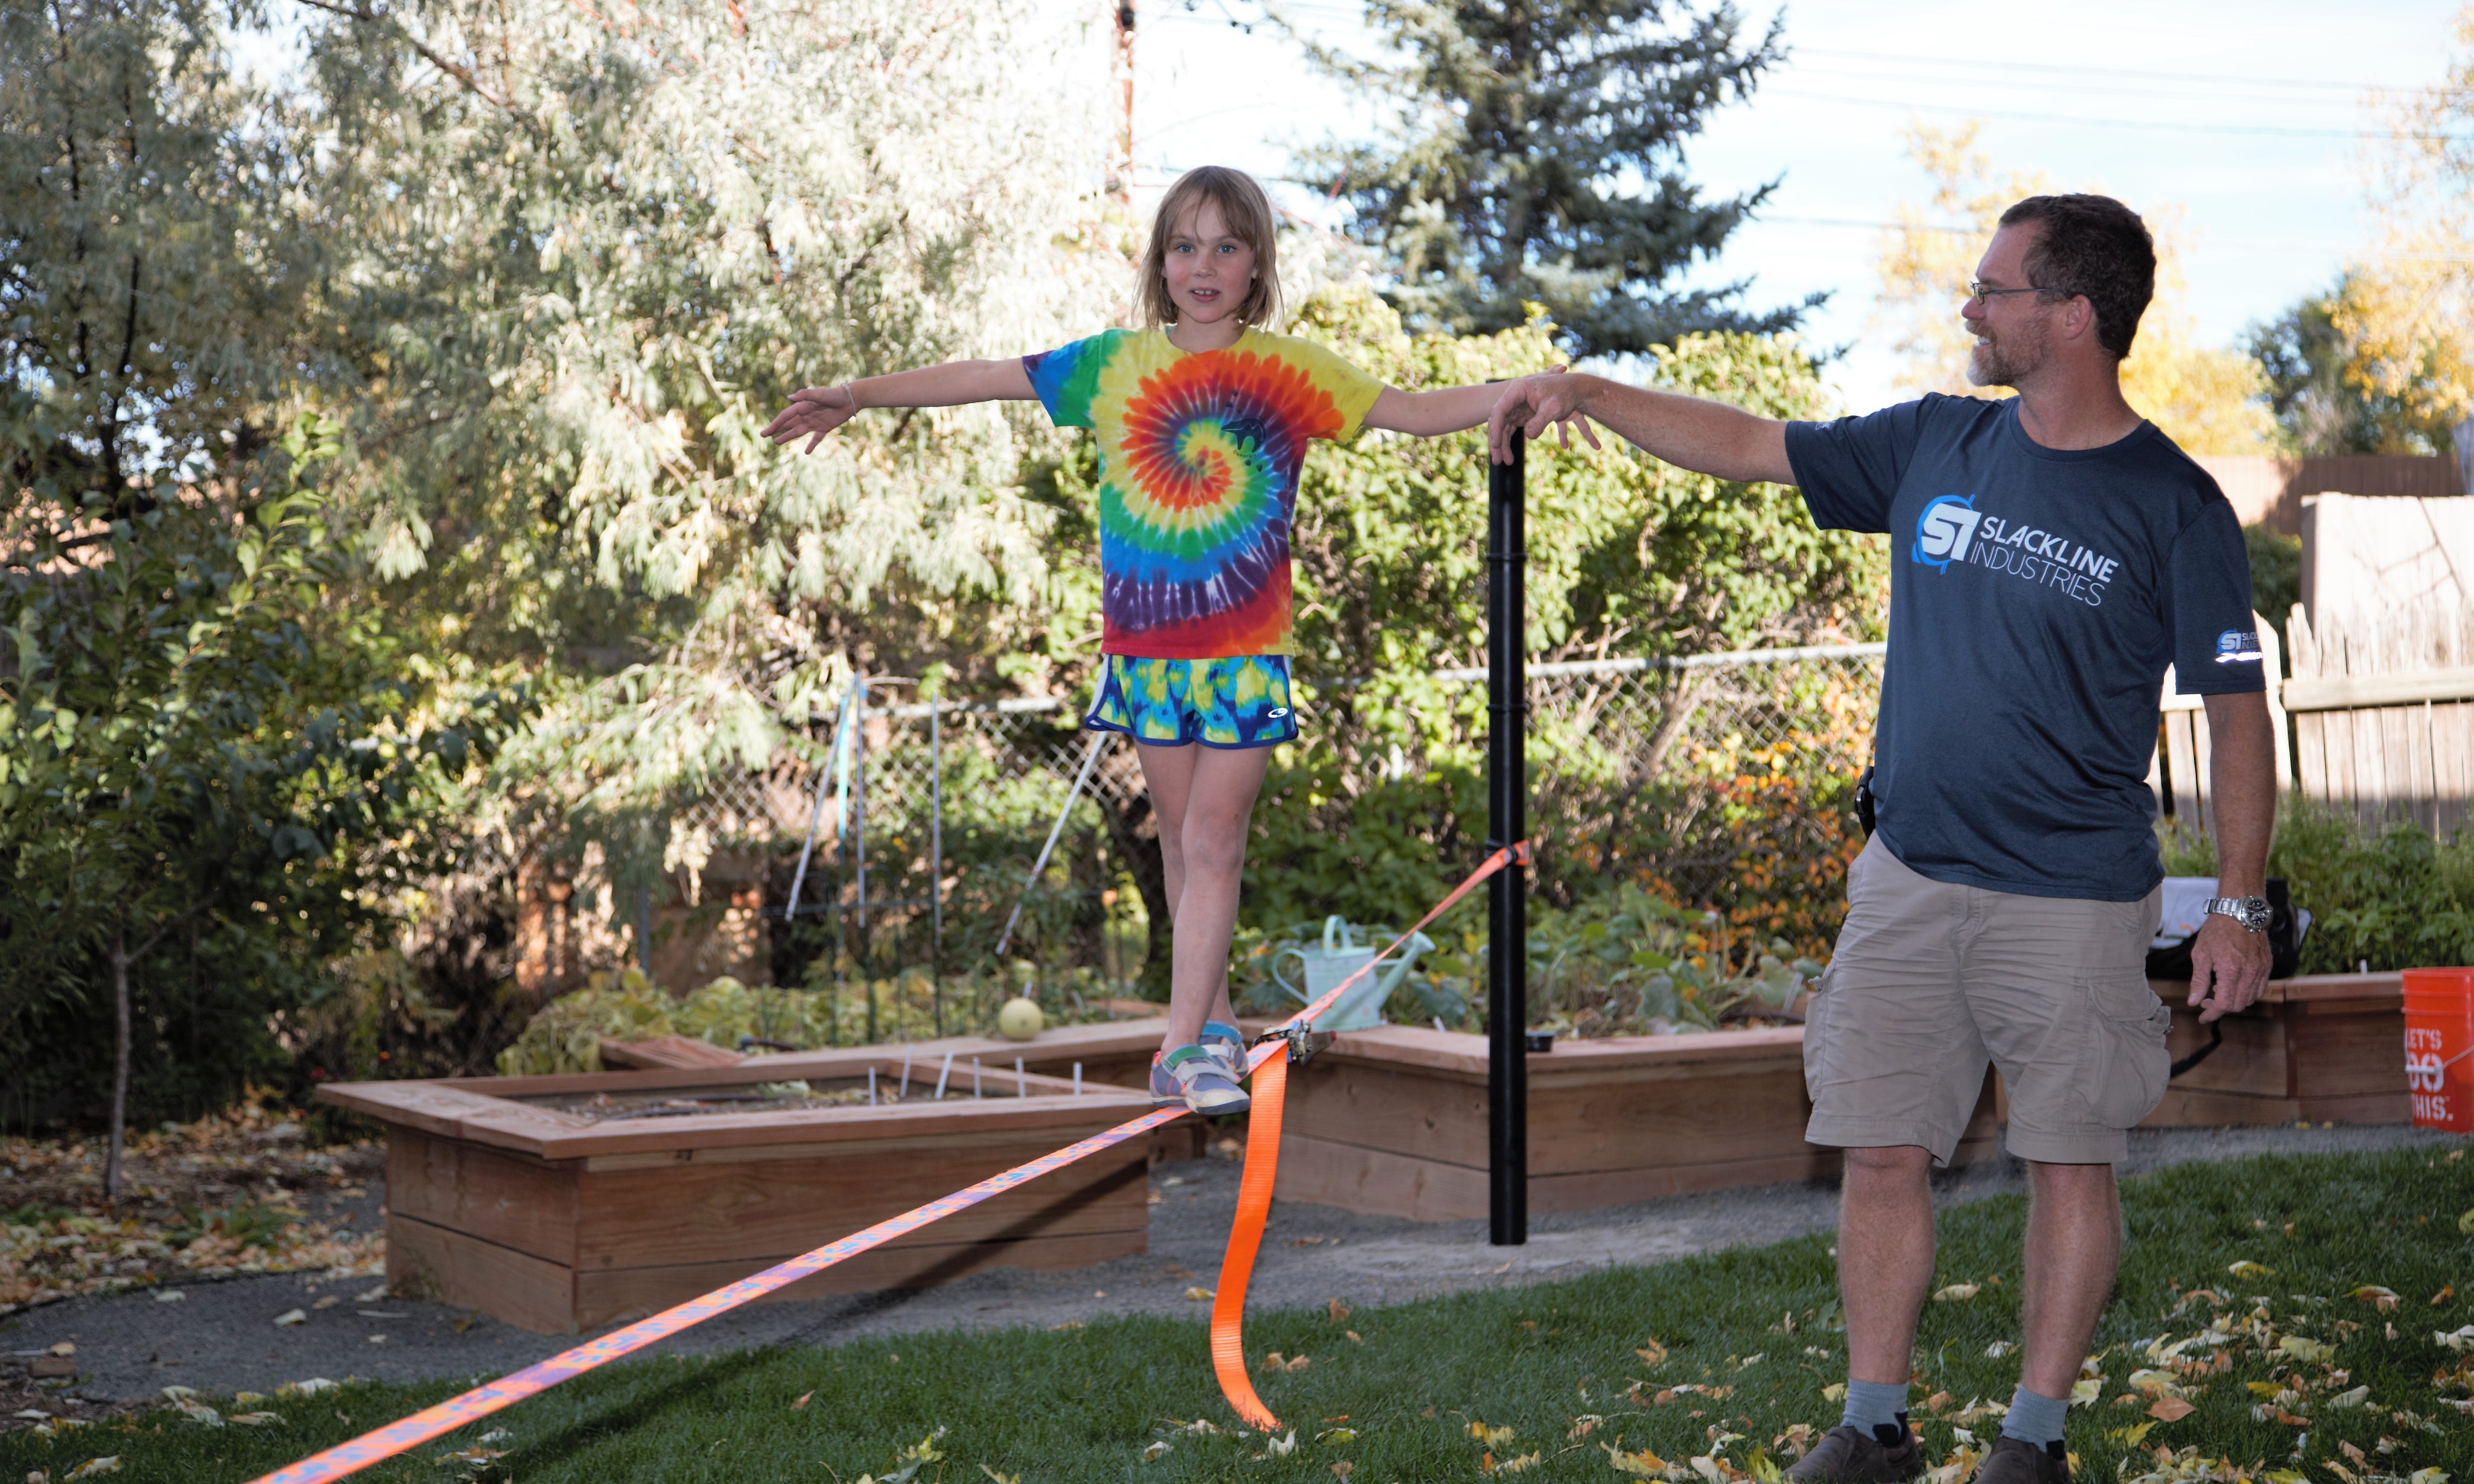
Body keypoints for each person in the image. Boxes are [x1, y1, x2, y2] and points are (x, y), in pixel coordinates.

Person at [1487, 194, 2276, 1484]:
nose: (1969, 309)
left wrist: (2236, 905)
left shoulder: (2173, 507)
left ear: (2071, 316)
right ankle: (1875, 1426)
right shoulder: (1933, 444)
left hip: (2072, 897)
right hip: (1907, 876)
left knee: (2067, 1161)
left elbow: (2237, 717)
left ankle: (2032, 1438)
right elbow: (1750, 444)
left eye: (1994, 289)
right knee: (1877, 1145)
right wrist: (1585, 390)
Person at [766, 165, 1554, 1115]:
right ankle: (1212, 1025)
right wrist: (858, 393)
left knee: (1217, 838)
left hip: (1244, 660)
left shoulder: (1290, 372)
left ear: (1257, 261)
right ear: (1161, 263)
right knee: (1185, 850)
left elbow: (1417, 411)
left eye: (1226, 245)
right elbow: (984, 377)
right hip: (1144, 657)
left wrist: (1539, 386)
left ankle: (1178, 1047)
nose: (1204, 263)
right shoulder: (1112, 365)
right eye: (1185, 245)